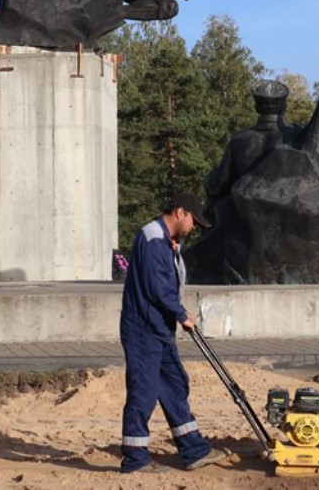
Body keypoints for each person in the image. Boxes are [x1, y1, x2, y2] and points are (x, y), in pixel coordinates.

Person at [119, 193, 232, 473]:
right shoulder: (153, 239)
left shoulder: (166, 242)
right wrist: (182, 314)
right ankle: (135, 459)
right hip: (143, 329)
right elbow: (159, 288)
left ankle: (193, 450)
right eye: (194, 221)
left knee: (174, 385)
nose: (195, 228)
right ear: (180, 212)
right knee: (143, 393)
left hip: (159, 328)